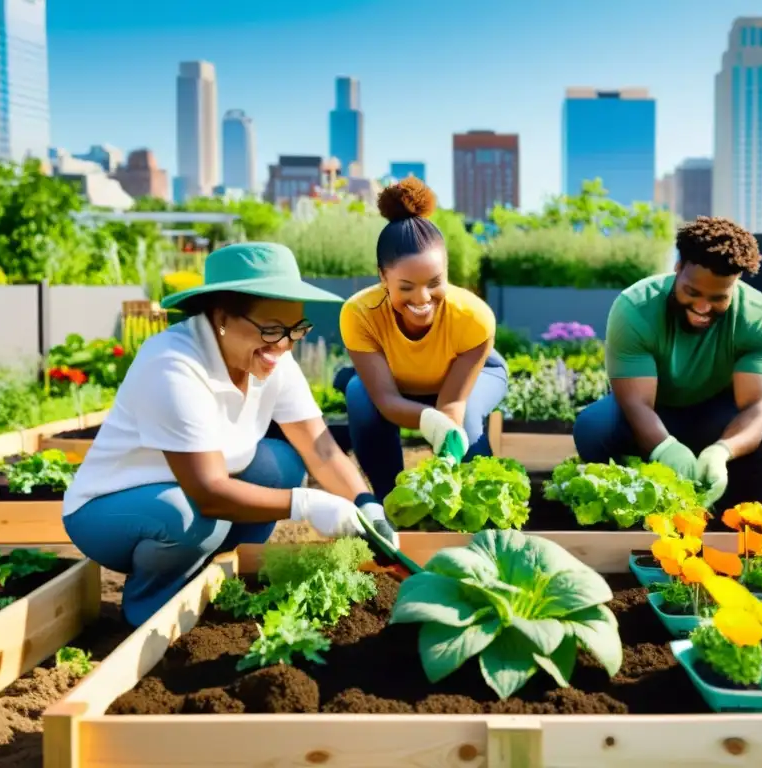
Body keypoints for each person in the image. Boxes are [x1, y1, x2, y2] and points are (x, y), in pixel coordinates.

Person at [62, 242, 399, 627]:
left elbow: (320, 449)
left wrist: (366, 503)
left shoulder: (272, 357)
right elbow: (209, 491)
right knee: (190, 517)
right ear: (221, 317)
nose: (284, 345)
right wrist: (307, 505)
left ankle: (218, 574)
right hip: (110, 511)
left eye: (295, 329)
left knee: (282, 463)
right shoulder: (174, 365)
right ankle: (150, 609)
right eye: (271, 329)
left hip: (196, 494)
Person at [572, 216, 762, 517]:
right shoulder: (636, 307)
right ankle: (629, 516)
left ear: (736, 283)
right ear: (677, 269)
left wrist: (722, 451)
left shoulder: (760, 318)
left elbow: (757, 406)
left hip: (716, 417)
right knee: (594, 425)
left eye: (718, 298)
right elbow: (636, 403)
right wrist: (666, 449)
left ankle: (738, 526)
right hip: (652, 412)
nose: (702, 307)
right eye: (692, 292)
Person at [336, 177, 508, 500]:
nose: (422, 298)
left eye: (434, 282)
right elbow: (386, 400)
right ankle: (392, 504)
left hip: (470, 379)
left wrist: (444, 459)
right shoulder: (359, 314)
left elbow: (453, 403)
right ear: (383, 277)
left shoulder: (474, 318)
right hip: (399, 389)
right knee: (360, 394)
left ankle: (474, 511)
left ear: (446, 271)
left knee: (465, 422)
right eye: (406, 287)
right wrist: (431, 422)